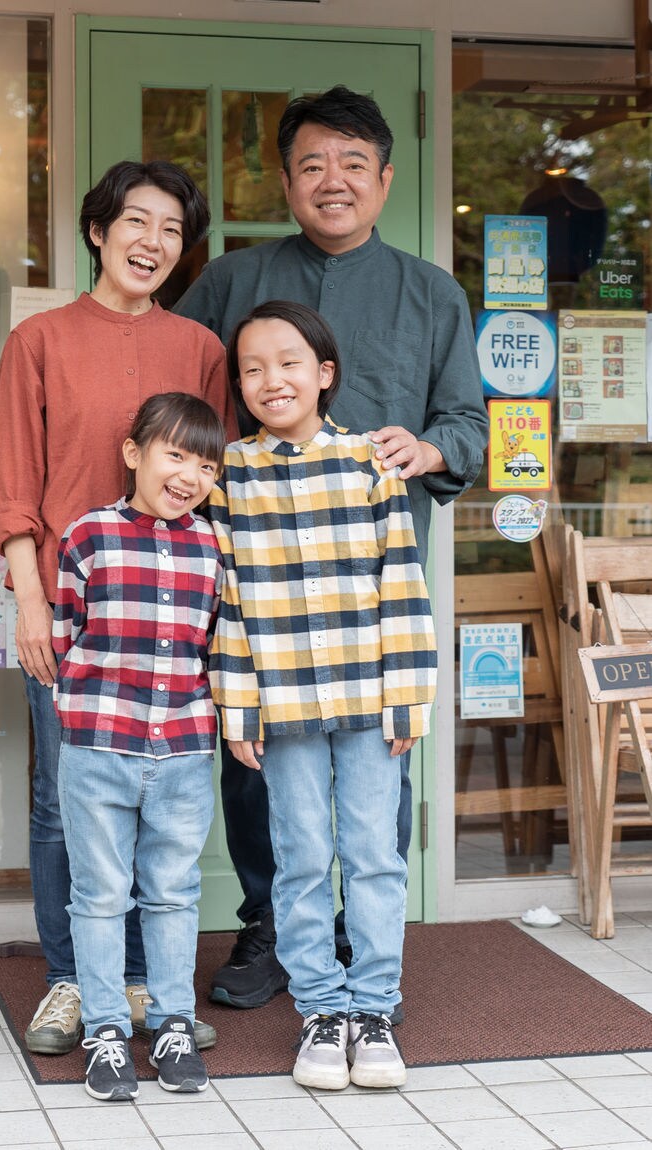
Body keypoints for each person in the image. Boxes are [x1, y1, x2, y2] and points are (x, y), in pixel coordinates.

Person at [174, 84, 486, 1011]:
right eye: (313, 164)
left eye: (354, 164)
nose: (333, 181)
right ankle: (268, 926)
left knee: (376, 759)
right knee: (258, 757)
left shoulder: (432, 292)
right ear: (285, 179)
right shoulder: (232, 280)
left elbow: (468, 422)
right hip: (259, 580)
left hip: (372, 586)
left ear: (386, 180)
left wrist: (431, 448)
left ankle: (364, 938)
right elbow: (175, 394)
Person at [0, 159, 236, 1055]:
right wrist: (29, 600)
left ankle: (145, 987)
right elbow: (16, 485)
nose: (153, 243)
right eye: (137, 222)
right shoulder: (41, 341)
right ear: (99, 231)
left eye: (172, 230)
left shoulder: (200, 350)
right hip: (66, 611)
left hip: (170, 622)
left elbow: (216, 477)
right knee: (66, 803)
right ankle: (69, 982)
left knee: (163, 804)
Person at [209, 299, 437, 1090]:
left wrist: (408, 696)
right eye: (253, 368)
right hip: (284, 708)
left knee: (374, 856)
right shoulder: (230, 475)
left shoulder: (371, 464)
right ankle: (320, 1009)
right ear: (238, 384)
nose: (272, 379)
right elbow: (228, 601)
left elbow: (402, 586)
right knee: (301, 859)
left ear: (324, 374)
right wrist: (237, 707)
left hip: (372, 699)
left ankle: (374, 1006)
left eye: (289, 362)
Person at [55, 392, 225, 1101]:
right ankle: (104, 1032)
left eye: (206, 464)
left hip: (185, 748)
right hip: (98, 746)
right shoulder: (88, 536)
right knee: (98, 897)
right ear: (135, 453)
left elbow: (215, 643)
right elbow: (67, 633)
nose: (188, 474)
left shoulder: (216, 545)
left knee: (173, 894)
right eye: (175, 454)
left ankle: (173, 1021)